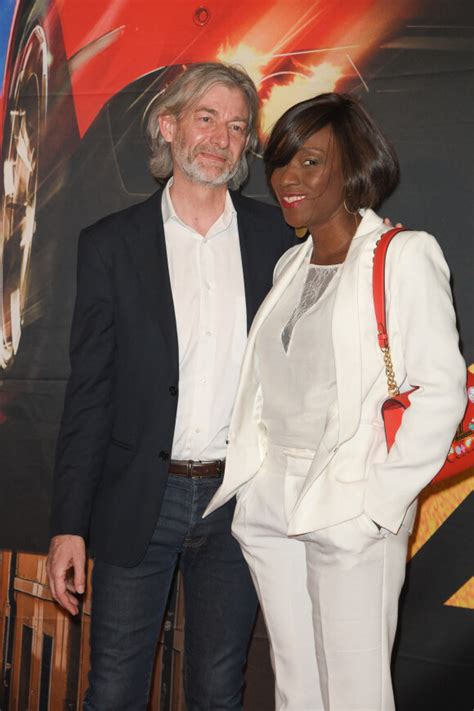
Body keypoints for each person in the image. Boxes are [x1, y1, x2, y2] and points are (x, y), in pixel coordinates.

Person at [204, 93, 467, 710]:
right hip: (273, 502)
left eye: (311, 162)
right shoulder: (290, 265)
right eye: (281, 163)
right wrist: (258, 484)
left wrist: (377, 505)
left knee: (354, 695)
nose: (288, 179)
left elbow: (439, 390)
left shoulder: (402, 256)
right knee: (295, 686)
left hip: (348, 499)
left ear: (352, 167)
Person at [45, 62, 296, 710]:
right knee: (114, 690)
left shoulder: (278, 240)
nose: (220, 137)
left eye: (237, 126)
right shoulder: (109, 244)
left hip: (237, 503)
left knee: (219, 688)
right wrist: (68, 525)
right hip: (137, 504)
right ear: (168, 125)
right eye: (206, 117)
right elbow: (89, 393)